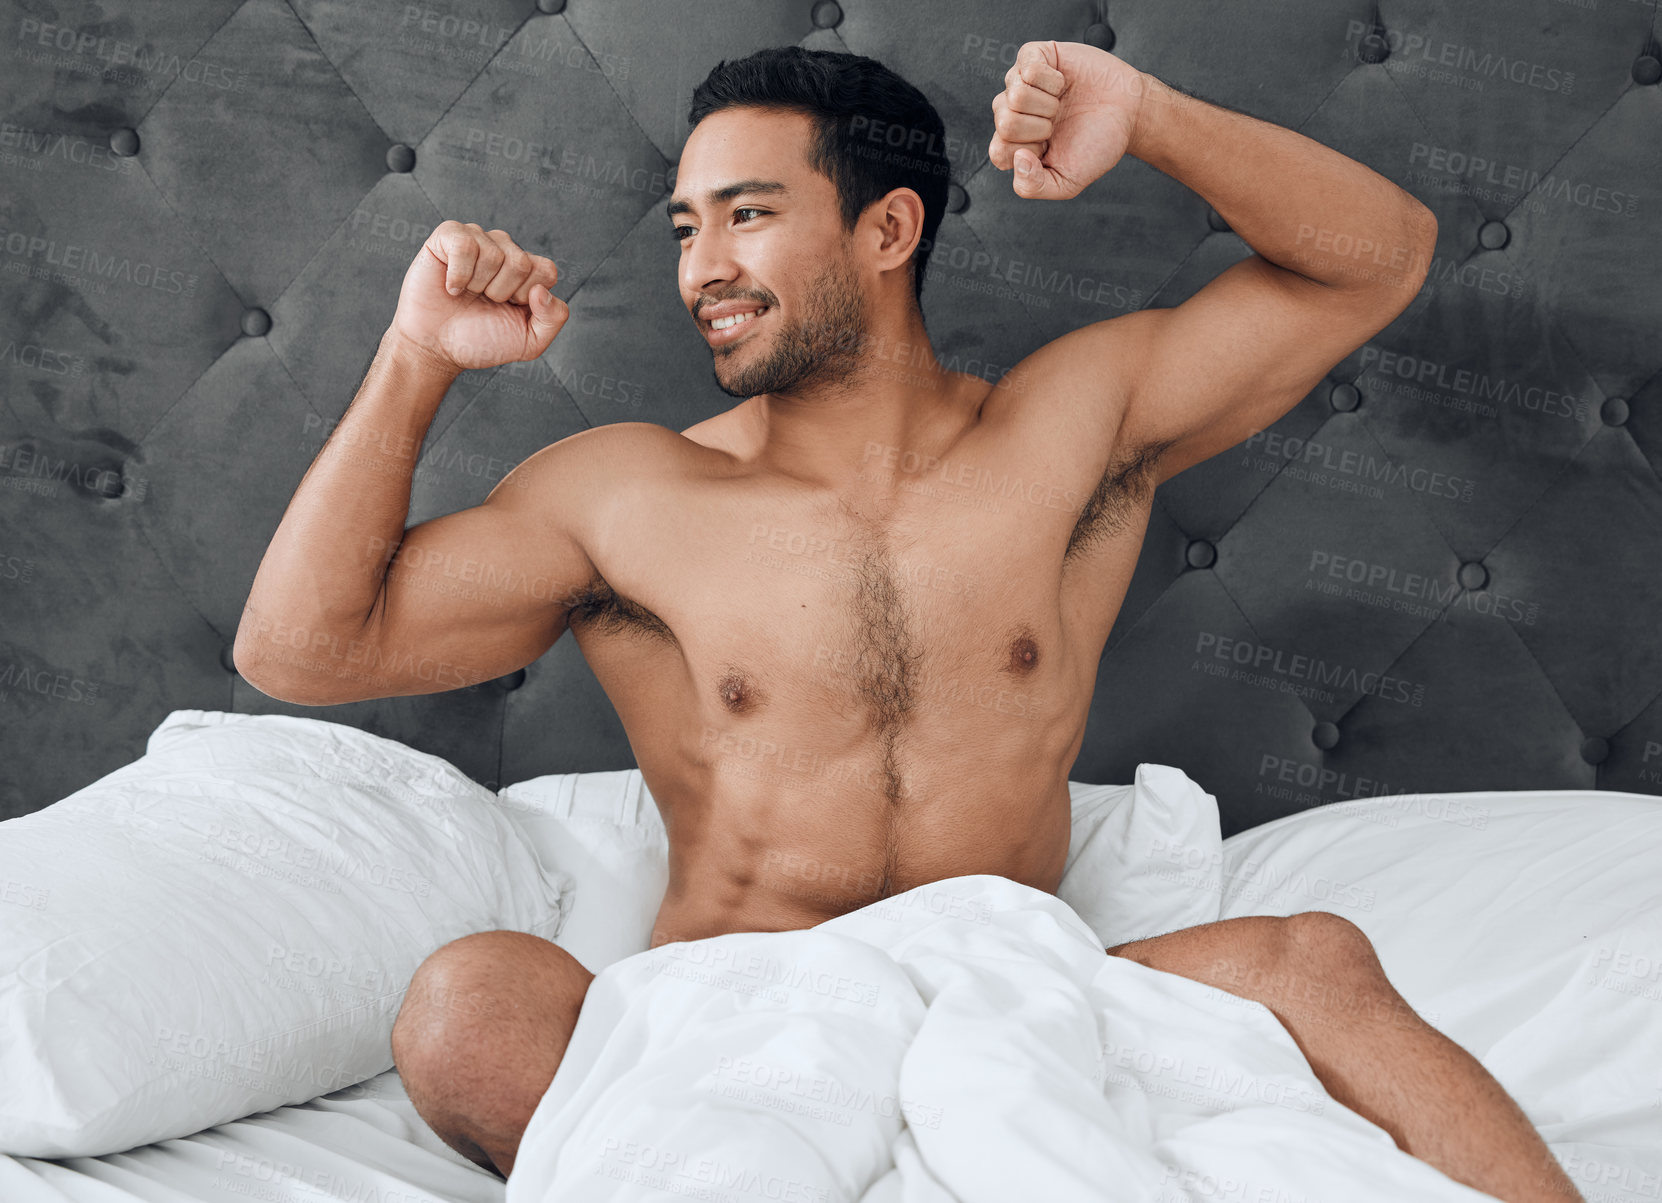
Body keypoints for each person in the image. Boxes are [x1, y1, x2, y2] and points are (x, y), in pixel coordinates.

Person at [237, 41, 1581, 1201]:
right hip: (735, 1010)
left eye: (747, 215)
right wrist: (414, 360)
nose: (703, 264)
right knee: (468, 1002)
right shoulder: (629, 492)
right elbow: (298, 651)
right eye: (685, 226)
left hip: (1016, 990)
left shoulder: (1068, 428)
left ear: (884, 232)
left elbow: (1375, 258)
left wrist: (1153, 115)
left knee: (1307, 959)